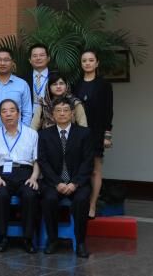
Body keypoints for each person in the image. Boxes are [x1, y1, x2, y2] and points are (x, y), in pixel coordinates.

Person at [37, 98, 93, 258]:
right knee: (49, 199)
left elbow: (88, 162)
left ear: (72, 113)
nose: (62, 113)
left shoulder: (84, 133)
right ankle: (52, 240)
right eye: (58, 110)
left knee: (81, 200)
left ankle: (80, 242)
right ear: (52, 114)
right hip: (53, 182)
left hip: (78, 182)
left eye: (66, 110)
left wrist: (75, 183)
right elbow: (43, 162)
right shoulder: (44, 135)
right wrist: (57, 183)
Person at [0, 99, 40, 253]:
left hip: (26, 173)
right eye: (4, 111)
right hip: (2, 174)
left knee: (30, 195)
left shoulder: (32, 134)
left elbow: (37, 160)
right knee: (0, 194)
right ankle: (3, 237)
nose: (8, 114)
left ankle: (28, 238)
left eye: (12, 110)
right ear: (0, 115)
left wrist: (34, 178)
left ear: (19, 113)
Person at [73, 49, 114, 220]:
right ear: (81, 64)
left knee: (95, 171)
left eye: (91, 60)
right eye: (84, 60)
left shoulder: (104, 85)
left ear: (97, 63)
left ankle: (92, 205)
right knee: (79, 168)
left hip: (97, 132)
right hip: (78, 132)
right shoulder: (76, 85)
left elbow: (108, 111)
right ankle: (79, 202)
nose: (87, 63)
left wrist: (107, 135)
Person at [0, 48, 32, 131]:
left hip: (17, 132)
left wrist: (23, 131)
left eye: (6, 60)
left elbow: (27, 111)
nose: (2, 63)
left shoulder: (22, 84)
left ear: (12, 62)